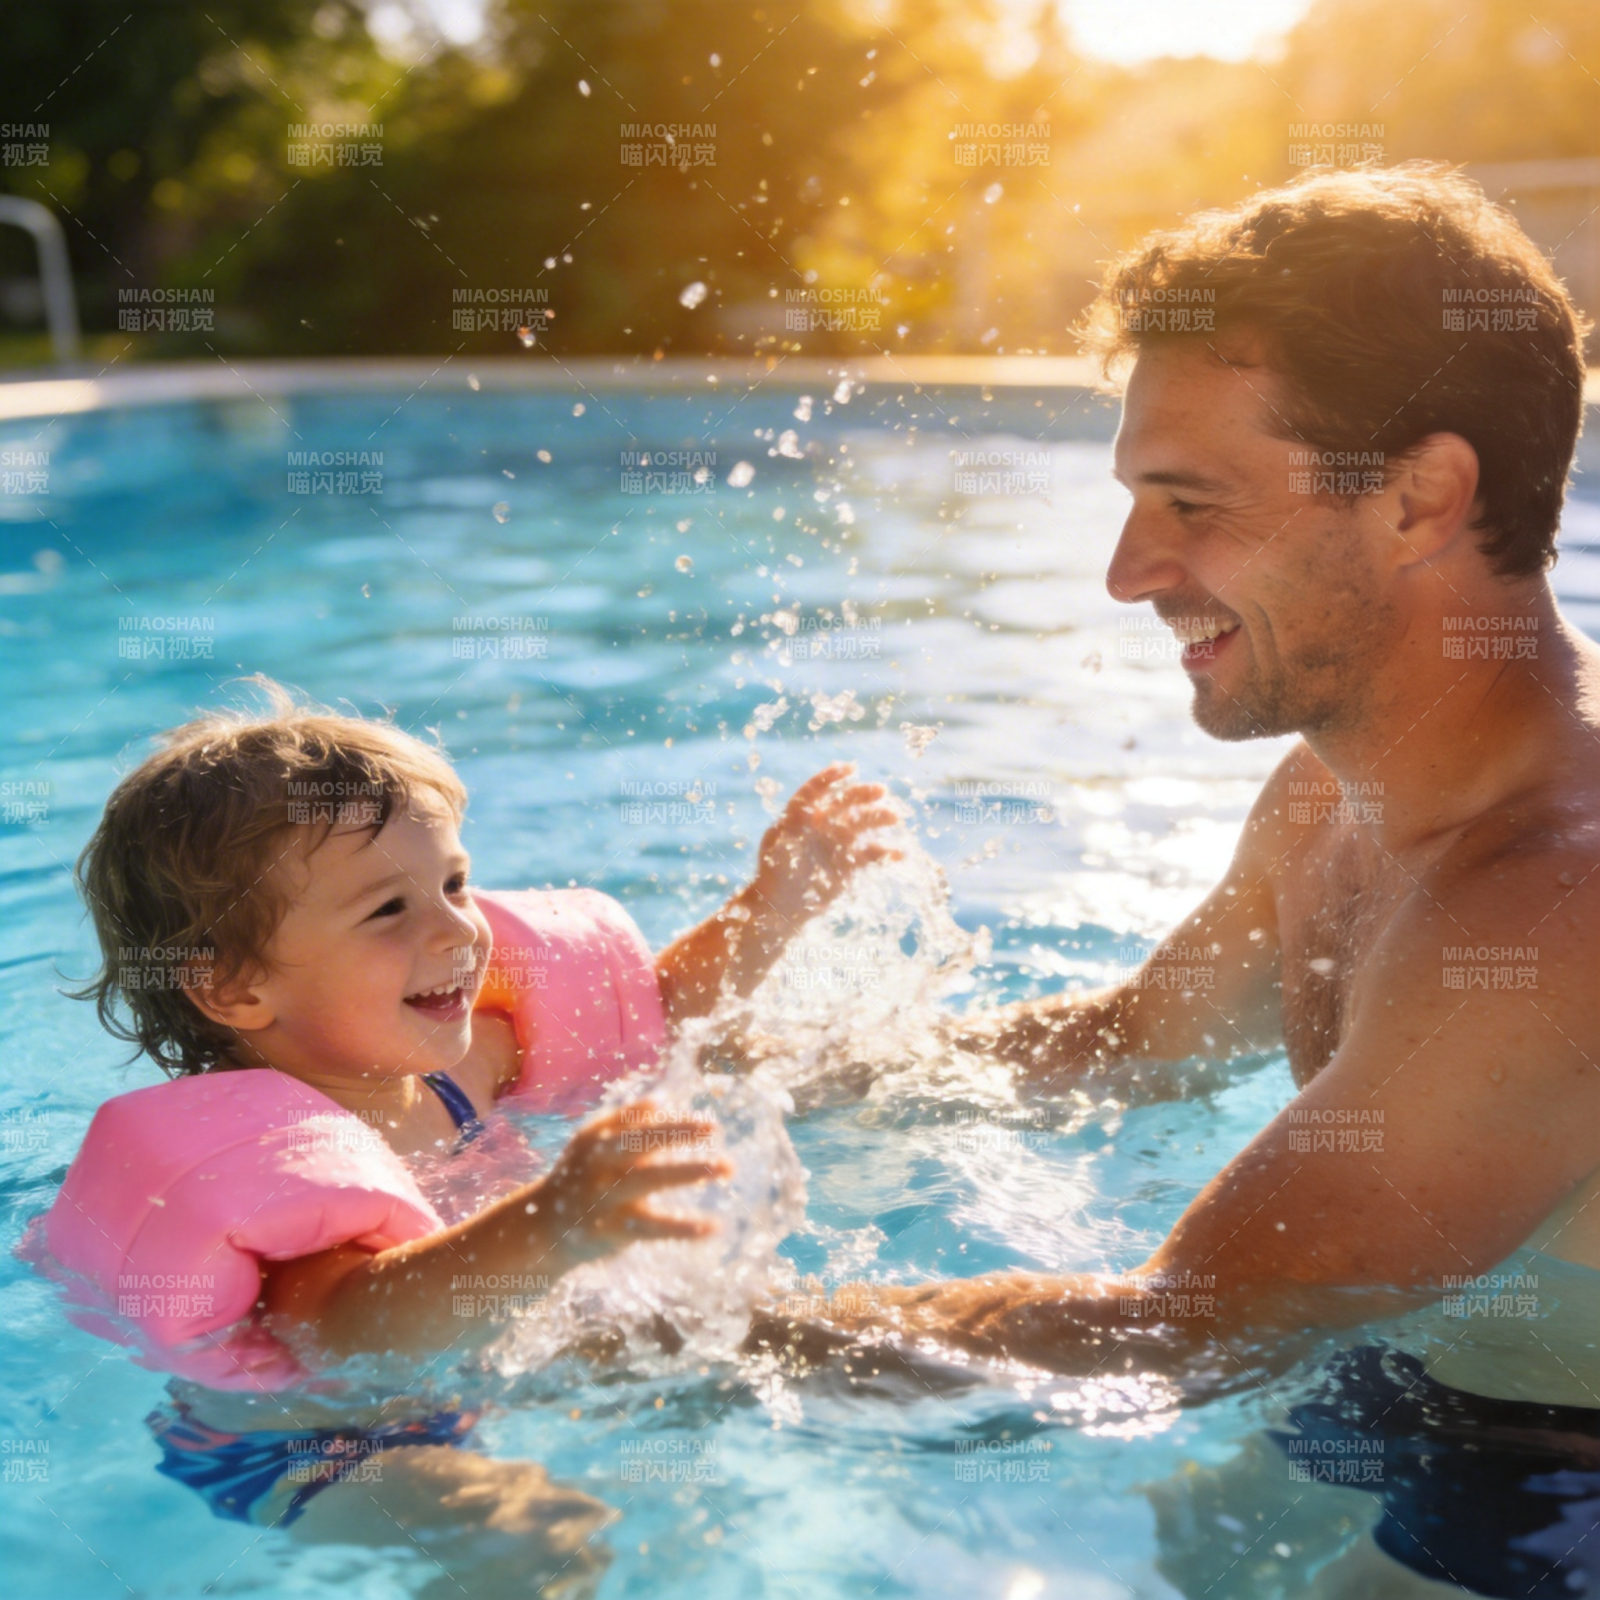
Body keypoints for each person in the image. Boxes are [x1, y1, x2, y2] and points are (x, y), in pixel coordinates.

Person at [747, 163, 1600, 1597]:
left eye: (1189, 502)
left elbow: (1181, 1331)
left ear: (1420, 500)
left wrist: (637, 1330)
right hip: (1406, 1374)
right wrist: (780, 1077)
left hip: (1563, 1483)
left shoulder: (1556, 910)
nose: (1128, 571)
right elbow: (1135, 1040)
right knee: (1174, 1560)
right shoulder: (1332, 793)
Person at [43, 677, 897, 1590]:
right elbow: (344, 1329)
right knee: (538, 1533)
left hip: (486, 1369)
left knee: (856, 1339)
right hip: (318, 1450)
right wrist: (553, 1223)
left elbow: (660, 1011)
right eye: (387, 910)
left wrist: (774, 905)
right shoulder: (276, 1165)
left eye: (453, 882)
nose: (457, 927)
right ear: (236, 989)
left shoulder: (459, 1071)